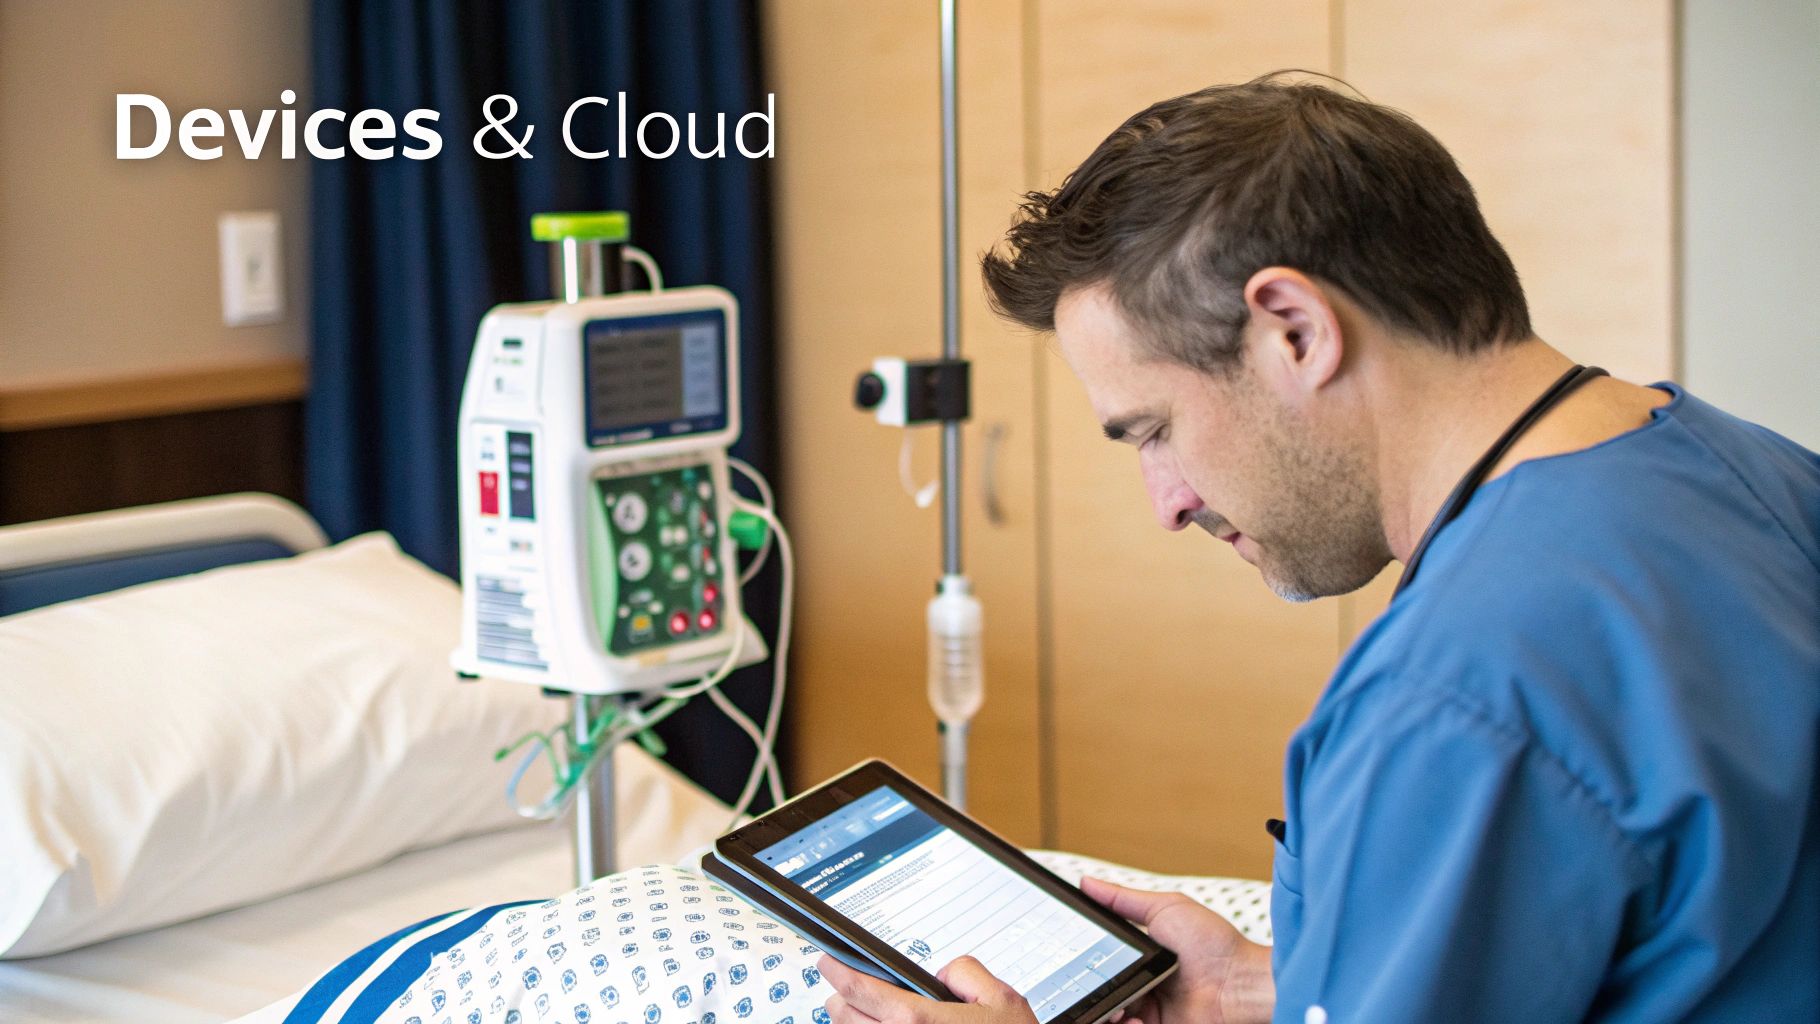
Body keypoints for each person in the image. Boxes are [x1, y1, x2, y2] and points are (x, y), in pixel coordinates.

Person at [818, 73, 1820, 1023]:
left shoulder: (1455, 692)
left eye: (1152, 429)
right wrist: (1278, 986)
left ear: (1293, 330)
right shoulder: (1759, 472)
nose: (1165, 504)